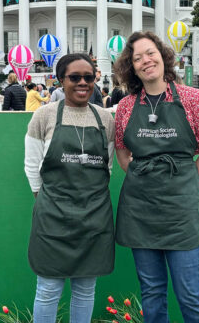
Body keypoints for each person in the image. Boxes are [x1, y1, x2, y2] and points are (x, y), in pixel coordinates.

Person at [113, 31, 199, 323]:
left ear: (163, 56)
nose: (146, 61)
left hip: (181, 209)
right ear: (131, 68)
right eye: (137, 58)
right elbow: (123, 154)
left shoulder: (192, 98)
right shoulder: (125, 106)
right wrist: (147, 179)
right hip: (140, 208)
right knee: (151, 292)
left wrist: (186, 180)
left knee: (191, 293)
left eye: (150, 53)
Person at [24, 53, 116, 323]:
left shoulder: (105, 119)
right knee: (48, 289)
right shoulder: (44, 115)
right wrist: (48, 201)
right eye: (74, 77)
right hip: (54, 216)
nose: (82, 83)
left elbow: (107, 167)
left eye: (89, 77)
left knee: (86, 290)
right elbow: (32, 167)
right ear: (61, 80)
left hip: (94, 215)